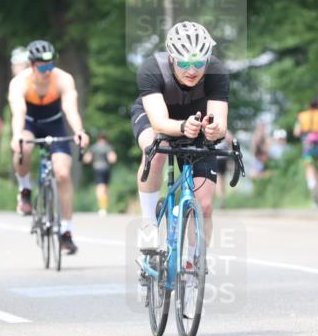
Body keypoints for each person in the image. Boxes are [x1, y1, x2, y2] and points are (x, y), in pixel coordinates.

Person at [132, 21, 228, 249]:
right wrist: (183, 127)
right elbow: (159, 123)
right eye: (184, 63)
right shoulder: (152, 68)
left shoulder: (216, 71)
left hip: (196, 123)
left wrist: (214, 130)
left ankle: (194, 263)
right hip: (157, 118)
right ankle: (148, 223)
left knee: (204, 206)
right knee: (155, 149)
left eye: (199, 63)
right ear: (172, 58)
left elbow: (220, 123)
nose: (192, 70)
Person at [8, 39, 89, 254]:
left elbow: (70, 109)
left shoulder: (63, 79)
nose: (47, 70)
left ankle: (66, 232)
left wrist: (79, 131)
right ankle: (24, 188)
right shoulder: (19, 83)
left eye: (51, 65)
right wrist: (16, 136)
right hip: (29, 124)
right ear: (31, 65)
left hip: (55, 124)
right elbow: (18, 113)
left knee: (63, 174)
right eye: (42, 66)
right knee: (23, 148)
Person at [293, 99, 318, 206]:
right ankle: (316, 194)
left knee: (309, 165)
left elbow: (296, 132)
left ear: (309, 106)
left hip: (307, 142)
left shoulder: (302, 116)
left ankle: (311, 183)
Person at [83, 132, 117, 216]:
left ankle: (102, 208)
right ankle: (105, 207)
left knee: (99, 189)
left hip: (98, 168)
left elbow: (87, 159)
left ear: (98, 138)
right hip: (107, 169)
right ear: (106, 139)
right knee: (106, 188)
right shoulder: (108, 147)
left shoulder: (94, 147)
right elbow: (113, 159)